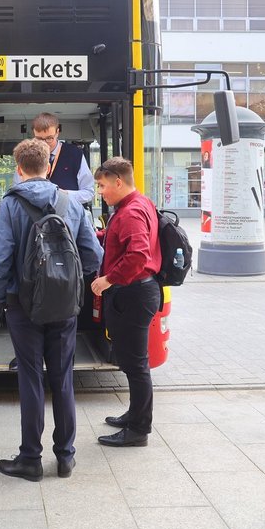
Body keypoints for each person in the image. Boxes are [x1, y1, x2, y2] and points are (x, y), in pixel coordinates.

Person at [0, 139, 102, 481]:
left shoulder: (10, 205)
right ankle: (65, 457)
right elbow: (93, 255)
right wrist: (68, 282)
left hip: (22, 305)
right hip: (65, 305)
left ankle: (30, 459)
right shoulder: (71, 203)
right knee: (63, 378)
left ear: (18, 169)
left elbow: (0, 260)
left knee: (31, 377)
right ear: (49, 166)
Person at [9, 112, 95, 370]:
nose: (44, 143)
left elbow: (89, 192)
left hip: (64, 233)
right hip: (33, 234)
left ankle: (49, 359)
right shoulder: (27, 155)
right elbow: (17, 190)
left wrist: (61, 195)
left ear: (58, 131)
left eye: (48, 138)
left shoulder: (75, 156)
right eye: (39, 138)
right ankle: (29, 357)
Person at [90, 157, 161, 448]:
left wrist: (108, 279)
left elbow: (138, 254)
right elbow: (121, 240)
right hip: (137, 292)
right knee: (133, 363)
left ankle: (138, 430)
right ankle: (134, 414)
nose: (100, 192)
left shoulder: (130, 212)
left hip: (133, 293)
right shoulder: (139, 203)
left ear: (118, 182)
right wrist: (96, 235)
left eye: (102, 185)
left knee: (136, 364)